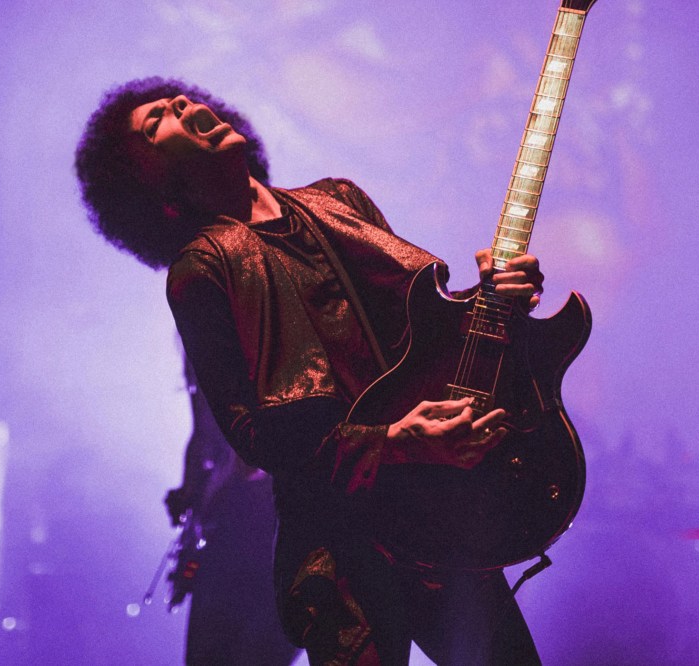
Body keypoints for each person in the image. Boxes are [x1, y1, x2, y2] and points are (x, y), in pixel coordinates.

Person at [75, 77, 545, 665]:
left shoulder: (338, 200)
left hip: (438, 514)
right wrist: (393, 442)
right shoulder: (202, 270)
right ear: (153, 183)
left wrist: (493, 299)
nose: (180, 104)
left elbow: (423, 337)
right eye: (155, 123)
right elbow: (249, 433)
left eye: (179, 99)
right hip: (342, 546)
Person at [163, 351, 300, 665]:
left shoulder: (263, 329)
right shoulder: (198, 336)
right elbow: (201, 435)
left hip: (273, 522)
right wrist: (188, 492)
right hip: (226, 525)